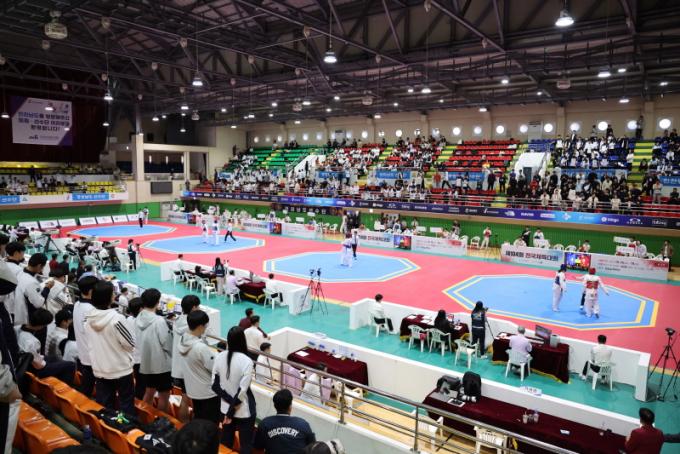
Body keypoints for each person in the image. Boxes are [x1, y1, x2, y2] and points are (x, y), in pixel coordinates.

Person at [84, 280, 136, 415]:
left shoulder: (87, 319)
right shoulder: (117, 319)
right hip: (121, 369)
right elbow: (130, 343)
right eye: (113, 293)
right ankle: (127, 428)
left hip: (100, 368)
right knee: (126, 406)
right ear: (109, 297)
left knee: (106, 407)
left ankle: (107, 428)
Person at [212, 326, 256, 453]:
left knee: (226, 443)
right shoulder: (247, 361)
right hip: (243, 410)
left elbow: (215, 385)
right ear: (243, 340)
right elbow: (242, 392)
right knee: (246, 445)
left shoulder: (219, 357)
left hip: (225, 408)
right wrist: (231, 411)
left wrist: (229, 409)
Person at [178, 310, 220, 424]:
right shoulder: (200, 348)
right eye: (205, 325)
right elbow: (215, 367)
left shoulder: (182, 340)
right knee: (210, 424)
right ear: (201, 326)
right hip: (208, 393)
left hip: (194, 390)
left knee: (200, 420)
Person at [136, 288, 173, 413]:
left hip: (145, 362)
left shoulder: (138, 318)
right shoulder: (159, 321)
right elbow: (167, 343)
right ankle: (161, 420)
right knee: (164, 396)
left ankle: (145, 417)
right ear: (157, 302)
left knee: (149, 392)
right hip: (161, 365)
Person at [17, 308, 75, 385]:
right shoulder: (33, 342)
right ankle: (62, 387)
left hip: (27, 360)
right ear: (41, 326)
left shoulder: (17, 328)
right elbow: (39, 365)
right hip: (34, 369)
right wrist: (46, 363)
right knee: (70, 365)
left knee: (54, 358)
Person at [253, 389, 316, 454]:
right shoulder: (303, 424)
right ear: (290, 406)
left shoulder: (265, 424)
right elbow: (314, 449)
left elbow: (257, 449)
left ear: (274, 406)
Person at [172, 295, 201, 422]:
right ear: (194, 307)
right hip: (190, 367)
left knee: (185, 398)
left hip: (178, 367)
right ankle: (189, 426)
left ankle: (183, 424)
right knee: (193, 400)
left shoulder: (177, 321)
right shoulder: (192, 326)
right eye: (198, 306)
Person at [73, 276, 98, 396]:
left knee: (87, 386)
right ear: (91, 291)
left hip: (84, 353)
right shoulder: (91, 310)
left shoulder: (77, 304)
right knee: (99, 388)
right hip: (93, 356)